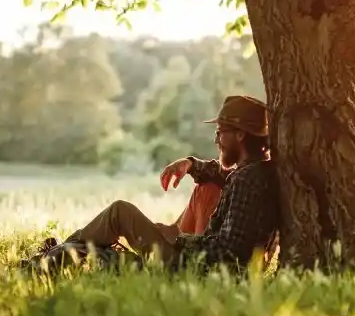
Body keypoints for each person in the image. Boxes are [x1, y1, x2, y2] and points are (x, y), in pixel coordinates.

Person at [23, 94, 280, 275]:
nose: (216, 140)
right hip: (200, 262)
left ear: (240, 134)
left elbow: (230, 253)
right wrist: (190, 164)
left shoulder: (248, 181)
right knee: (110, 241)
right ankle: (56, 255)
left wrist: (178, 238)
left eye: (220, 132)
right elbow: (219, 173)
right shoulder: (251, 172)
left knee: (120, 212)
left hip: (199, 270)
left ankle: (48, 259)